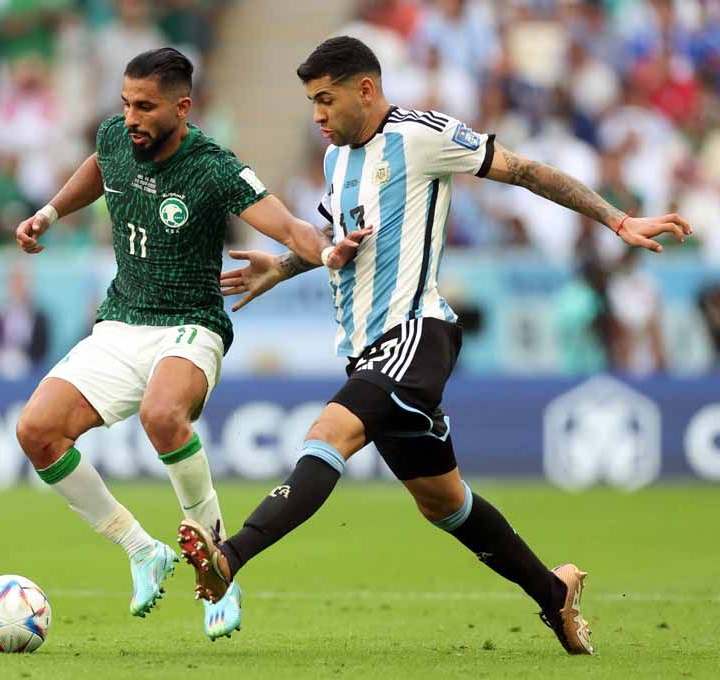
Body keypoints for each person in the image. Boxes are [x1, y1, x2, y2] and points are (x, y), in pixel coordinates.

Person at [175, 36, 691, 656]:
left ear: (365, 90)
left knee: (327, 434)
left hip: (416, 331)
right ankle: (555, 595)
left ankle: (228, 560)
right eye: (311, 101)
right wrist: (281, 269)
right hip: (367, 348)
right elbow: (344, 245)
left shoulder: (422, 135)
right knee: (445, 504)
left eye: (324, 99)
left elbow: (526, 171)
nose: (316, 115)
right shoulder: (337, 161)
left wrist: (616, 219)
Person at [10, 48, 340, 641]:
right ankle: (142, 550)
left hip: (191, 324)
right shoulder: (117, 137)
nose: (130, 117)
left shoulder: (213, 168)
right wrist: (51, 211)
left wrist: (328, 252)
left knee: (162, 416)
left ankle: (218, 570)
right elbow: (99, 164)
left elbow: (290, 227)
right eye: (125, 104)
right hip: (120, 323)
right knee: (35, 431)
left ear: (182, 107)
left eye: (145, 106)